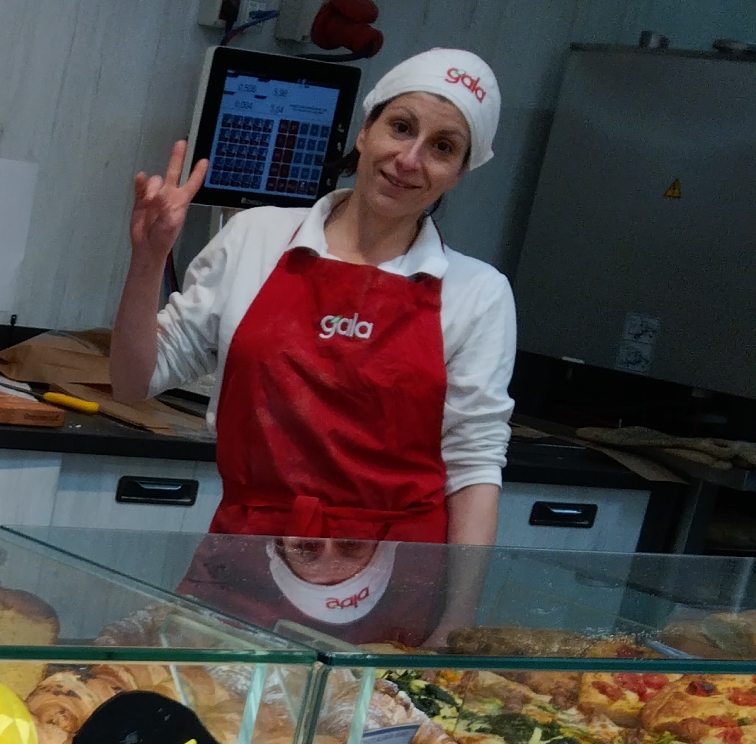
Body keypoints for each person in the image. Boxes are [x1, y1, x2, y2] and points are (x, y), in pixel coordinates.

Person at [108, 47, 514, 642]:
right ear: (366, 129)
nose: (410, 159)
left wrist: (456, 624)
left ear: (459, 172)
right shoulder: (256, 237)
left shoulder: (477, 293)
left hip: (399, 587)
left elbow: (473, 467)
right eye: (401, 127)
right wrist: (148, 262)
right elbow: (132, 381)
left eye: (443, 147)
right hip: (244, 563)